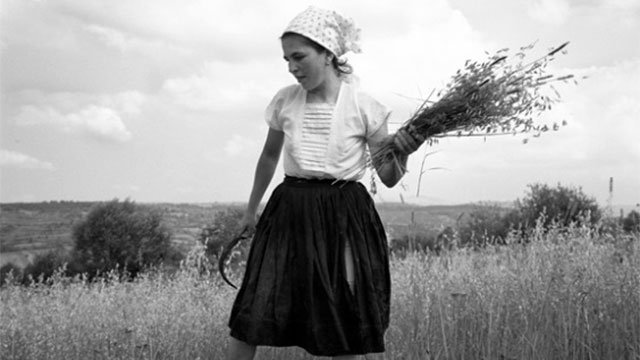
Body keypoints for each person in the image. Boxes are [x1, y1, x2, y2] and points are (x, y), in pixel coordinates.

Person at [226, 6, 424, 360]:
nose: (291, 67)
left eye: (299, 56)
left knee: (342, 310)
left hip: (343, 213)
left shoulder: (366, 108)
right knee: (259, 299)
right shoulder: (285, 99)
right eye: (286, 59)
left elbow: (389, 178)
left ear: (328, 53)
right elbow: (269, 157)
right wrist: (249, 210)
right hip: (289, 209)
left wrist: (405, 154)